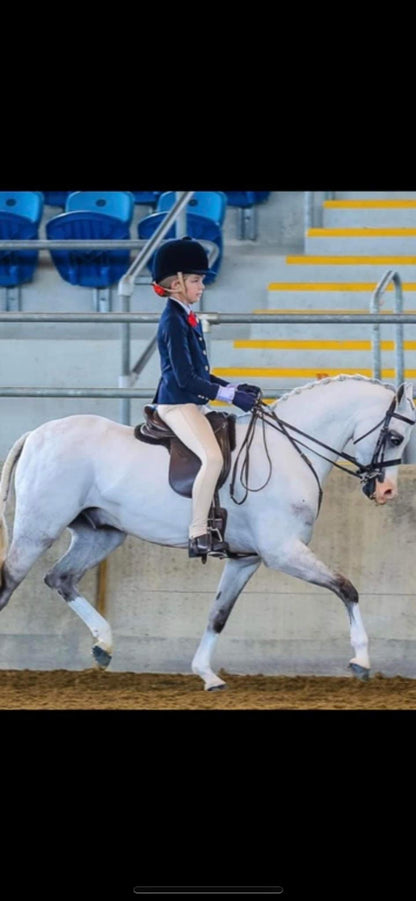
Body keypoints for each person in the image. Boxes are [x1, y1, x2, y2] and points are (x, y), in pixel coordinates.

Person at [151, 236, 261, 558]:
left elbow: (201, 372)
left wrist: (234, 389)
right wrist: (226, 395)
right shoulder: (172, 320)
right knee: (212, 458)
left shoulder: (187, 316)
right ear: (176, 284)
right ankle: (198, 531)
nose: (202, 287)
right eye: (197, 281)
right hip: (177, 403)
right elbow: (185, 379)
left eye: (200, 281)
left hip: (192, 401)